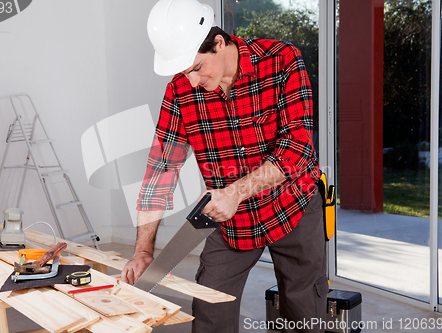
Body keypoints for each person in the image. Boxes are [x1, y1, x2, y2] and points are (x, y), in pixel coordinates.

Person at [120, 0, 328, 332]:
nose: (190, 81)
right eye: (184, 72)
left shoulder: (282, 60)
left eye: (197, 67)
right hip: (232, 221)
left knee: (304, 312)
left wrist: (234, 192)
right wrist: (144, 251)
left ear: (219, 42)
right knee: (208, 312)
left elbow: (297, 149)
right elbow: (160, 171)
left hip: (294, 206)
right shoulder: (180, 92)